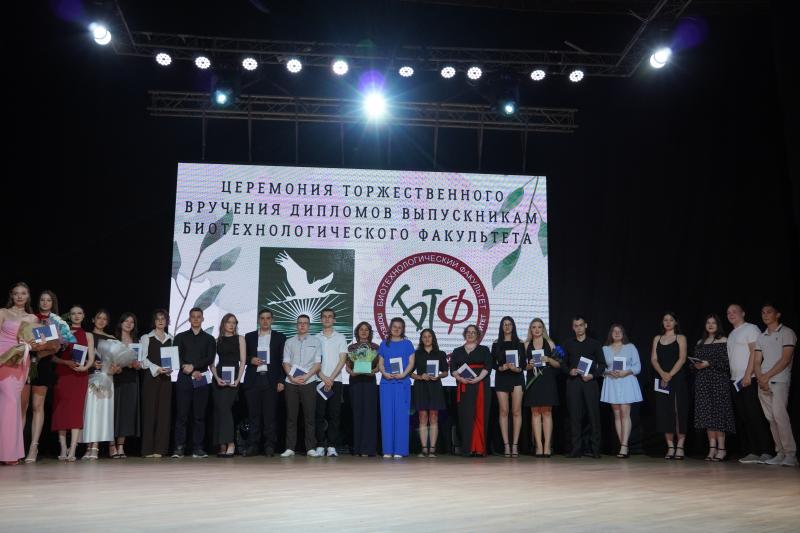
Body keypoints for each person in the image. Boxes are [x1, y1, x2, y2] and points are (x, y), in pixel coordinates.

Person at [726, 303, 774, 464]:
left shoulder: (751, 329)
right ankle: (753, 451)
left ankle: (766, 451)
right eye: (728, 312)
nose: (731, 314)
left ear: (743, 313)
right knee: (745, 417)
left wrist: (748, 374)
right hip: (736, 381)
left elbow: (755, 352)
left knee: (756, 415)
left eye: (734, 311)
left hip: (749, 379)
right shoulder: (732, 334)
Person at [754, 303, 797, 467]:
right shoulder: (761, 336)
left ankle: (790, 454)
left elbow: (785, 359)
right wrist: (760, 378)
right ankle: (780, 453)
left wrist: (767, 376)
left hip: (779, 379)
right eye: (763, 312)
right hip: (763, 381)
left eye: (769, 312)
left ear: (777, 314)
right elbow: (757, 361)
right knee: (771, 419)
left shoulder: (787, 333)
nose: (765, 315)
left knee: (780, 416)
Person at [21, 290, 60, 463]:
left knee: (38, 406)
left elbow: (55, 347)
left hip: (42, 366)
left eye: (48, 300)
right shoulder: (30, 318)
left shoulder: (55, 322)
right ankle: (17, 446)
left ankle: (33, 447)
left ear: (53, 303)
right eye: (42, 300)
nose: (45, 303)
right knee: (23, 406)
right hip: (25, 362)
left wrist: (39, 353)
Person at [0, 283, 37, 465]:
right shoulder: (3, 312)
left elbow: (37, 342)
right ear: (12, 295)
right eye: (16, 294)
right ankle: (7, 453)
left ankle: (9, 452)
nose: (20, 296)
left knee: (12, 404)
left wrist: (31, 343)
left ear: (28, 296)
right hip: (2, 357)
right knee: (9, 403)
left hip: (20, 360)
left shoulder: (32, 318)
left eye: (23, 293)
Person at [51, 305, 93, 461]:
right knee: (61, 410)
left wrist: (85, 368)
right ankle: (63, 448)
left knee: (76, 411)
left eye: (79, 313)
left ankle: (73, 449)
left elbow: (91, 358)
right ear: (69, 316)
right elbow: (52, 356)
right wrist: (65, 362)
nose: (76, 316)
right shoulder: (62, 333)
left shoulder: (88, 335)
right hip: (63, 374)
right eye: (73, 313)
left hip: (79, 376)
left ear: (83, 315)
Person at [242, 308, 286, 457]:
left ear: (272, 320)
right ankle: (253, 446)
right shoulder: (249, 337)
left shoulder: (280, 338)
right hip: (253, 379)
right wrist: (251, 359)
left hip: (271, 380)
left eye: (268, 318)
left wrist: (281, 380)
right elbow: (243, 357)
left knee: (270, 416)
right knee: (253, 416)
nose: (265, 321)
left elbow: (283, 361)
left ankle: (269, 446)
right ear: (258, 320)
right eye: (262, 318)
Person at [172, 307, 215, 458]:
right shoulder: (180, 337)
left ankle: (198, 448)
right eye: (193, 317)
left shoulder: (209, 339)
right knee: (182, 415)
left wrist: (194, 367)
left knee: (199, 416)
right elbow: (176, 356)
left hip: (201, 377)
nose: (196, 319)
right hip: (184, 378)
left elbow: (210, 358)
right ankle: (179, 447)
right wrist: (189, 369)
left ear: (203, 319)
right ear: (189, 319)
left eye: (198, 316)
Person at [691, 314, 735, 462]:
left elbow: (727, 363)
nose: (710, 325)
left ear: (718, 325)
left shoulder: (724, 340)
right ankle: (712, 449)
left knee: (718, 415)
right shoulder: (700, 342)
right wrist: (696, 365)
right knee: (707, 416)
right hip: (703, 382)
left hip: (719, 381)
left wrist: (709, 363)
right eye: (708, 323)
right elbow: (695, 363)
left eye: (713, 323)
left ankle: (722, 449)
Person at [280, 314, 323, 457]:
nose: (302, 325)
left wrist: (307, 376)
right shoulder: (289, 342)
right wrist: (291, 377)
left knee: (309, 417)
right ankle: (290, 448)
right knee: (291, 417)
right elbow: (285, 362)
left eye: (305, 323)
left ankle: (310, 448)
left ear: (309, 325)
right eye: (300, 323)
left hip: (309, 382)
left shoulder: (316, 341)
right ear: (296, 325)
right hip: (291, 383)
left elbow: (317, 364)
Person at [563, 316, 605, 458]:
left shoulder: (595, 344)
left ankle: (595, 449)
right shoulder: (568, 344)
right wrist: (569, 371)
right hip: (573, 383)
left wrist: (593, 375)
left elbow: (602, 364)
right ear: (573, 328)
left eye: (581, 325)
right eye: (576, 325)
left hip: (590, 383)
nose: (579, 328)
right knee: (574, 416)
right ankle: (576, 449)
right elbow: (562, 363)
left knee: (593, 415)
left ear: (585, 325)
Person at [600, 324, 642, 459]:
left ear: (623, 334)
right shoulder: (605, 349)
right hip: (612, 382)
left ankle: (624, 445)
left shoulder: (630, 347)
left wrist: (626, 372)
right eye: (614, 331)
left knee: (625, 412)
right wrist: (608, 372)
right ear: (610, 334)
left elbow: (638, 366)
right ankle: (622, 445)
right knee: (617, 414)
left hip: (627, 381)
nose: (617, 333)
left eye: (619, 331)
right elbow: (600, 367)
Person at [80, 309, 118, 460]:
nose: (101, 321)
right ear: (93, 319)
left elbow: (116, 362)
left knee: (102, 413)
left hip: (106, 378)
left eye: (104, 319)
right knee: (90, 413)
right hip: (90, 377)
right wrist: (90, 364)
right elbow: (80, 356)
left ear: (107, 322)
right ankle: (88, 446)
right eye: (99, 318)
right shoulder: (87, 336)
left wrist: (113, 368)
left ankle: (95, 446)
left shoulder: (112, 339)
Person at [450, 324, 492, 457]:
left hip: (480, 386)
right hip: (464, 386)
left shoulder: (484, 349)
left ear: (478, 335)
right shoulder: (457, 351)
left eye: (473, 332)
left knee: (480, 415)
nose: (470, 334)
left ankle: (479, 448)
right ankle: (468, 448)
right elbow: (453, 369)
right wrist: (460, 378)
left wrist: (478, 378)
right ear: (465, 334)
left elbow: (488, 367)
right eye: (468, 332)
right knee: (466, 417)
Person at [651, 312, 689, 460]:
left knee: (678, 411)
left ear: (675, 322)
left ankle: (680, 446)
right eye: (665, 320)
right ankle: (670, 447)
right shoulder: (657, 338)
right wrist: (662, 374)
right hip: (662, 379)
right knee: (665, 412)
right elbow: (654, 359)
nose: (668, 322)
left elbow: (682, 358)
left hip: (677, 377)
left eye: (671, 320)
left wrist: (670, 374)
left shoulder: (681, 338)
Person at [523, 318, 561, 458]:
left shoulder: (550, 343)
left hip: (547, 380)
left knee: (546, 412)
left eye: (539, 327)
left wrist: (548, 359)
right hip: (533, 380)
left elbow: (558, 364)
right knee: (535, 413)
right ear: (530, 329)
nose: (537, 329)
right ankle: (538, 446)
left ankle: (547, 446)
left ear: (543, 329)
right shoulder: (525, 344)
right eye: (534, 327)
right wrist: (530, 365)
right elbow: (522, 366)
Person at [139, 309, 174, 458]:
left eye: (163, 319)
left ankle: (160, 449)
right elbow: (142, 360)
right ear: (154, 321)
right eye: (158, 319)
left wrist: (170, 368)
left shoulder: (171, 338)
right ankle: (147, 449)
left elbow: (173, 359)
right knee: (149, 412)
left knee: (163, 413)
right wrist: (157, 368)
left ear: (167, 321)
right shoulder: (146, 337)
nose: (160, 321)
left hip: (166, 379)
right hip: (151, 378)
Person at [378, 317, 415, 458]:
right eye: (394, 326)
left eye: (400, 327)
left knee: (401, 416)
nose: (397, 329)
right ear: (390, 328)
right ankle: (387, 450)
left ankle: (400, 450)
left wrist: (404, 374)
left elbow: (411, 362)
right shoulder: (384, 344)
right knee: (386, 416)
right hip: (386, 383)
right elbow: (381, 363)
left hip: (402, 383)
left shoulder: (407, 344)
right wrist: (384, 373)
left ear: (403, 329)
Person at [314, 308, 348, 457]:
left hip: (336, 381)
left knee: (335, 415)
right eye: (324, 317)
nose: (327, 319)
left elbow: (342, 360)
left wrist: (331, 379)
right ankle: (320, 445)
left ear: (334, 320)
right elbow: (313, 362)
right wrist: (323, 377)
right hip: (319, 380)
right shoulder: (315, 338)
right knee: (319, 414)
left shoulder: (341, 337)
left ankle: (332, 446)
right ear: (321, 319)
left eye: (330, 317)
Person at [211, 313, 246, 457]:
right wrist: (216, 377)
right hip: (219, 377)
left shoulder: (240, 339)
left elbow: (243, 361)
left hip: (233, 377)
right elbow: (211, 363)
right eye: (229, 322)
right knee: (219, 410)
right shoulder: (216, 340)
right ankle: (222, 445)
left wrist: (238, 379)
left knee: (225, 409)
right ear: (223, 324)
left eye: (234, 322)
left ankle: (230, 443)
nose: (231, 325)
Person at [491, 316, 525, 458]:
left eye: (509, 324)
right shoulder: (496, 343)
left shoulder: (520, 342)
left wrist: (518, 369)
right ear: (501, 327)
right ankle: (506, 445)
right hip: (502, 378)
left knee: (516, 411)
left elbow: (523, 363)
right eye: (504, 324)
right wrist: (501, 367)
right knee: (504, 411)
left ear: (513, 326)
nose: (507, 326)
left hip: (517, 377)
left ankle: (515, 445)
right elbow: (492, 363)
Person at [410, 328, 448, 457]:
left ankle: (432, 448)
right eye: (424, 336)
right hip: (420, 386)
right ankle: (423, 448)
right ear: (421, 339)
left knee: (434, 416)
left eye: (429, 336)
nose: (427, 339)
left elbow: (445, 372)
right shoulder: (416, 354)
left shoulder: (440, 354)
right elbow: (410, 372)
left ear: (433, 338)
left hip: (435, 386)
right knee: (422, 417)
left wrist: (438, 376)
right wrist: (420, 376)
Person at [345, 322, 380, 457]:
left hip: (370, 381)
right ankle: (357, 448)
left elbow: (379, 366)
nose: (364, 332)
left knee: (370, 415)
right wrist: (351, 372)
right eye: (361, 329)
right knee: (357, 413)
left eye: (366, 330)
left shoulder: (375, 347)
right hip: (355, 381)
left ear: (370, 332)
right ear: (357, 332)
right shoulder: (351, 347)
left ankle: (368, 448)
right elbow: (347, 366)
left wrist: (374, 371)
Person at [112, 312, 142, 458]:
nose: (129, 324)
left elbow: (140, 363)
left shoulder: (137, 341)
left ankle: (121, 447)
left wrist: (137, 365)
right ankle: (111, 446)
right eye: (126, 321)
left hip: (131, 379)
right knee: (114, 412)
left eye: (132, 322)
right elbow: (109, 360)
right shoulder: (114, 340)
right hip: (115, 378)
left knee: (126, 414)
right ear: (121, 323)